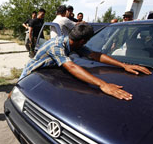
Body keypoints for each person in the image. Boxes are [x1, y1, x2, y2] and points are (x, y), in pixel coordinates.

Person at [19, 23, 151, 100]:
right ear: (83, 41)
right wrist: (102, 84)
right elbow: (71, 66)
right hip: (32, 74)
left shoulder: (72, 43)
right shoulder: (56, 46)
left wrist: (124, 65)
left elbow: (95, 55)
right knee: (18, 94)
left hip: (48, 75)